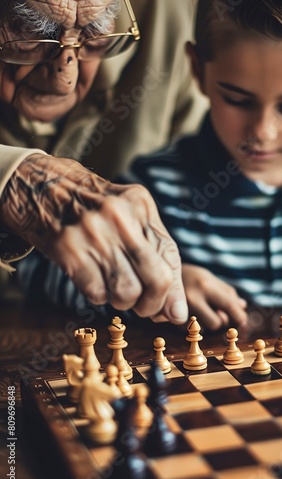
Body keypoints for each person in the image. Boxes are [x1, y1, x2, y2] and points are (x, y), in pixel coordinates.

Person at [125, 0, 282, 330]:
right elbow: (46, 274)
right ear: (197, 69)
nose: (262, 132)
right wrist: (165, 282)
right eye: (237, 99)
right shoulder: (153, 189)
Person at [0, 0, 202, 325]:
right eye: (30, 33)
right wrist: (10, 175)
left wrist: (175, 269)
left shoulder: (167, 15)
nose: (65, 80)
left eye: (94, 33)